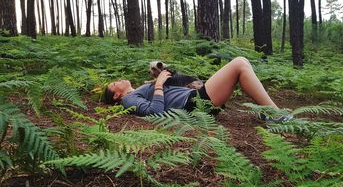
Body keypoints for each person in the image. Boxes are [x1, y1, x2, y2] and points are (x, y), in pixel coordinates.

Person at [104, 57, 292, 121]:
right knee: (239, 64)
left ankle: (267, 111)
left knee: (243, 64)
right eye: (114, 84)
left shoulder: (143, 88)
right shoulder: (128, 100)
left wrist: (164, 75)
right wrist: (159, 84)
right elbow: (154, 112)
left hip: (194, 97)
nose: (118, 80)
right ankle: (276, 116)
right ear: (116, 96)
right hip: (193, 105)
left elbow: (176, 85)